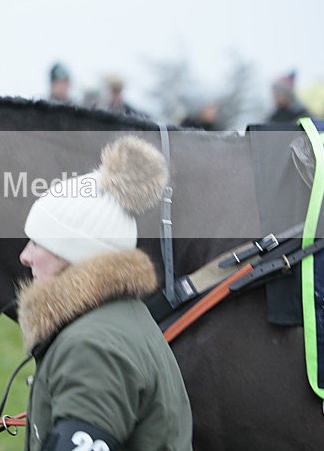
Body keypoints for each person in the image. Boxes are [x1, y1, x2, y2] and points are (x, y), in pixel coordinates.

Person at [16, 136, 192, 450]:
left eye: (38, 243)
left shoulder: (93, 347)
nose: (25, 256)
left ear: (72, 253)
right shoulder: (123, 317)